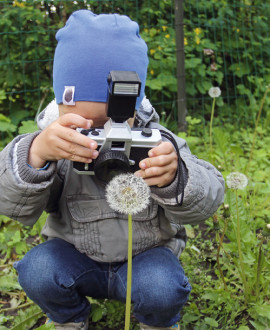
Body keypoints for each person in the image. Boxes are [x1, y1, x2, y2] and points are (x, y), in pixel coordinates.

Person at [0, 10, 224, 330]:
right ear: (60, 106)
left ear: (136, 107)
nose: (103, 140)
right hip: (74, 256)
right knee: (37, 270)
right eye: (87, 128)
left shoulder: (158, 142)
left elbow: (210, 196)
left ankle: (155, 321)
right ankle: (71, 317)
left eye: (112, 125)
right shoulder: (53, 145)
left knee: (163, 288)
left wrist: (175, 177)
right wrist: (35, 155)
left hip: (145, 259)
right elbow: (8, 201)